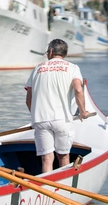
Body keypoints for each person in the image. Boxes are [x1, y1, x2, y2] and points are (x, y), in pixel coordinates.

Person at [25, 38, 92, 174]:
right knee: (63, 156)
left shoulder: (38, 68)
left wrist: (34, 116)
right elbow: (78, 90)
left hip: (40, 119)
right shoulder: (72, 68)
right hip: (62, 119)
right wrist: (83, 112)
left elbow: (28, 99)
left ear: (50, 52)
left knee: (47, 158)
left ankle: (47, 189)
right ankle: (63, 187)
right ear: (64, 53)